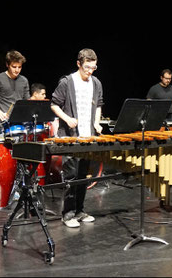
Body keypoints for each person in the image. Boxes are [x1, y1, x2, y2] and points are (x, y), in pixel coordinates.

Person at [51, 48, 104, 228]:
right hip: (70, 136)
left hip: (87, 136)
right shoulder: (67, 82)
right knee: (72, 175)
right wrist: (67, 119)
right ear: (78, 64)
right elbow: (54, 105)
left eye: (93, 68)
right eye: (87, 68)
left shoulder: (96, 83)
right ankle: (68, 214)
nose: (90, 71)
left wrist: (96, 122)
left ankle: (80, 210)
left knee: (83, 175)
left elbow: (98, 105)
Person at [0, 50, 30, 136]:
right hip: (2, 124)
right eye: (14, 67)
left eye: (19, 67)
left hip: (19, 123)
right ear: (7, 65)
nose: (17, 70)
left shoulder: (24, 80)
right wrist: (0, 113)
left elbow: (27, 101)